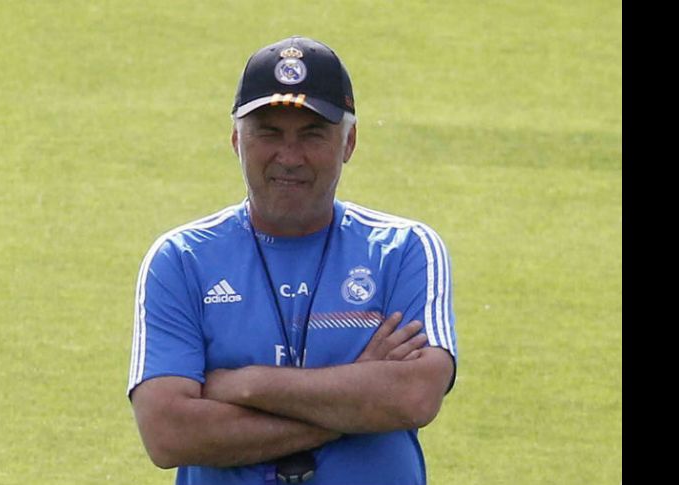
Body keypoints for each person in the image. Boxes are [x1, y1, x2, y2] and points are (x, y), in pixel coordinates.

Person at [127, 35, 457, 485]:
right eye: (268, 133)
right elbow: (168, 434)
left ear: (349, 142)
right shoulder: (181, 260)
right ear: (236, 141)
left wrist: (246, 386)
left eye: (312, 134)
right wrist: (357, 398)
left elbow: (415, 397)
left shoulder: (403, 250)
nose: (289, 156)